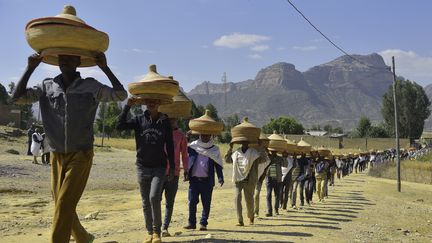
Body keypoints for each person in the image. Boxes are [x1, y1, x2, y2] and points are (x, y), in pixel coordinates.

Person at [12, 52, 127, 243]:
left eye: (70, 57)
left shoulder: (90, 86)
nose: (64, 60)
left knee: (64, 203)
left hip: (81, 154)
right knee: (61, 203)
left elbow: (120, 94)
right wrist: (30, 68)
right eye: (61, 57)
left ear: (79, 62)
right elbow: (17, 98)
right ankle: (83, 237)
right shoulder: (46, 86)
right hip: (56, 154)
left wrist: (104, 67)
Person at [117, 97, 175, 243]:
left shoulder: (165, 122)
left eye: (155, 100)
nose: (152, 102)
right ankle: (149, 232)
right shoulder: (138, 120)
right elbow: (119, 126)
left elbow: (170, 146)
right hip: (142, 166)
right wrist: (127, 107)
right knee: (145, 202)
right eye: (148, 100)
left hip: (159, 167)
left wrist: (172, 166)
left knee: (154, 197)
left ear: (159, 103)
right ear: (144, 103)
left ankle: (157, 232)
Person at [184, 133, 224, 231]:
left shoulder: (214, 149)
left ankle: (203, 223)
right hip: (194, 181)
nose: (205, 137)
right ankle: (192, 223)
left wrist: (220, 177)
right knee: (192, 202)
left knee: (206, 203)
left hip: (207, 181)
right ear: (199, 135)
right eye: (203, 135)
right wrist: (187, 137)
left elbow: (218, 164)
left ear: (211, 136)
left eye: (207, 136)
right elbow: (183, 147)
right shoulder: (193, 146)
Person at [161, 118, 189, 237]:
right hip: (159, 172)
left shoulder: (181, 136)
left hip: (174, 173)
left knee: (169, 202)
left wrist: (186, 170)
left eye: (174, 120)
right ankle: (155, 227)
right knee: (155, 199)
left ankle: (164, 228)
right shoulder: (160, 132)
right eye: (170, 120)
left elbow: (185, 154)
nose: (172, 122)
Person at [225, 141, 261, 226]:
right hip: (238, 179)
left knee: (249, 200)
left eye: (246, 142)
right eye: (243, 142)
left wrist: (260, 147)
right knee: (237, 198)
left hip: (249, 180)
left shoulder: (253, 153)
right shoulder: (236, 153)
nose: (244, 143)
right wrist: (230, 148)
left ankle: (251, 217)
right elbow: (227, 160)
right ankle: (240, 220)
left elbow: (263, 159)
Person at [253, 137, 271, 218]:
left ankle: (256, 212)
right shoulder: (252, 154)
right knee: (250, 196)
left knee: (256, 195)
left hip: (258, 180)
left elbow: (267, 164)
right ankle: (251, 211)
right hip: (250, 179)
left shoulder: (264, 159)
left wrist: (261, 178)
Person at [265, 150, 284, 216]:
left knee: (277, 195)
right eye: (272, 151)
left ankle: (276, 210)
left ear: (276, 151)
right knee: (268, 195)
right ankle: (269, 211)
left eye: (274, 151)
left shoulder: (279, 158)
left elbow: (285, 164)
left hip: (277, 179)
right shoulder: (267, 157)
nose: (273, 152)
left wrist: (284, 156)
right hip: (269, 178)